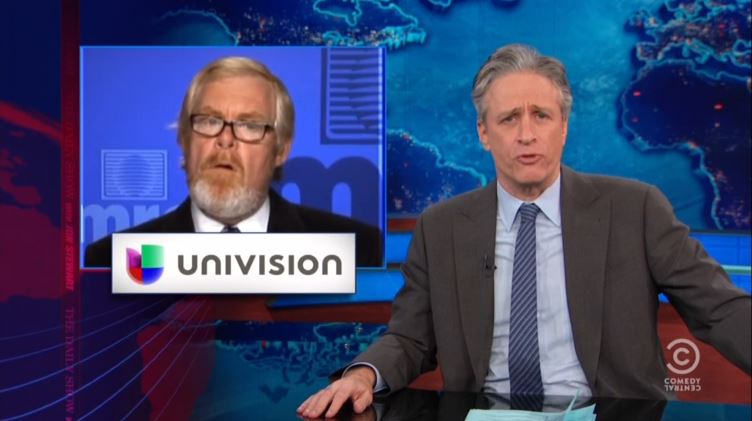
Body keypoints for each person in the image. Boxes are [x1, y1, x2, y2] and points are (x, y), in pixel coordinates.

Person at [298, 44, 751, 418]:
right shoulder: (441, 229)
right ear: (484, 133)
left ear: (564, 127)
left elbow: (720, 309)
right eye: (509, 118)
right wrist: (363, 375)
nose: (527, 134)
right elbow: (411, 338)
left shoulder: (636, 209)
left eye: (542, 116)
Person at [85, 56, 382, 268]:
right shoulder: (112, 260)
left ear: (281, 150)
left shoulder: (357, 251)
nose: (225, 139)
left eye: (250, 125)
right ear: (184, 139)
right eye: (209, 121)